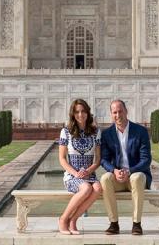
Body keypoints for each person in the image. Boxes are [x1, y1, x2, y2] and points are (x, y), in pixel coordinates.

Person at [99, 99, 151, 236]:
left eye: (120, 111)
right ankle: (114, 223)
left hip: (135, 176)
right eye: (114, 112)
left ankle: (136, 224)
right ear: (111, 114)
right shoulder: (107, 134)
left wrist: (130, 171)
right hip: (118, 177)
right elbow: (103, 159)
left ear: (126, 111)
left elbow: (146, 159)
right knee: (105, 178)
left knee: (138, 176)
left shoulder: (140, 131)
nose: (118, 115)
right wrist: (114, 171)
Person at [57, 98, 103, 235]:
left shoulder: (95, 132)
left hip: (89, 174)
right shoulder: (66, 131)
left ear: (88, 113)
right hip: (72, 176)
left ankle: (73, 220)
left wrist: (89, 171)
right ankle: (63, 219)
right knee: (86, 188)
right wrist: (75, 173)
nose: (80, 115)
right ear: (73, 114)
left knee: (98, 188)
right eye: (77, 112)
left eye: (83, 111)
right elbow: (62, 158)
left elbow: (98, 159)